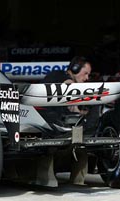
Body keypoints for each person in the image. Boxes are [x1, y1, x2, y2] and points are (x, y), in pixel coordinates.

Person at [42, 56, 92, 185]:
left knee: (82, 149)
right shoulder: (57, 75)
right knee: (48, 149)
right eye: (85, 73)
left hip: (64, 127)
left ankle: (78, 183)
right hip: (47, 128)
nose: (87, 78)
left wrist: (81, 112)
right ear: (75, 69)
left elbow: (73, 108)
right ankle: (47, 180)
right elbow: (67, 83)